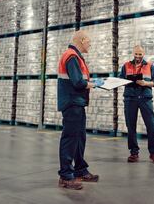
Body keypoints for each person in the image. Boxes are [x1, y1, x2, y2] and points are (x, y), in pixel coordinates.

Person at [57, 30, 104, 190]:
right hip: (72, 103)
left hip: (77, 102)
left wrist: (94, 81)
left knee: (79, 137)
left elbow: (80, 79)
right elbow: (78, 82)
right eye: (89, 41)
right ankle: (65, 176)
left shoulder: (75, 56)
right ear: (82, 40)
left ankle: (80, 170)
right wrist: (96, 84)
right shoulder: (71, 56)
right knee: (70, 138)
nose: (90, 44)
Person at [119, 45, 154, 164]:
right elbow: (120, 80)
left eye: (140, 54)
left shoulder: (150, 66)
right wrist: (127, 81)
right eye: (136, 54)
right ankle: (134, 153)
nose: (138, 56)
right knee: (130, 126)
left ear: (143, 54)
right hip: (130, 99)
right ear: (133, 53)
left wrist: (145, 83)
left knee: (151, 125)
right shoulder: (126, 66)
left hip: (145, 98)